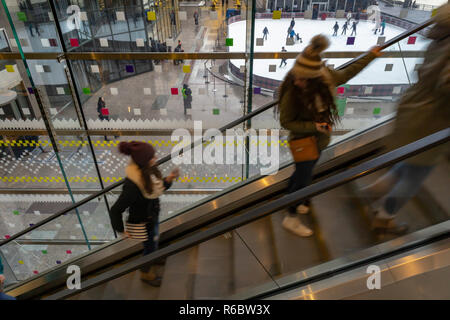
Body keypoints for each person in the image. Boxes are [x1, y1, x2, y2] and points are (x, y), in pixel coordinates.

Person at [358, 3, 450, 234]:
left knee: (411, 161)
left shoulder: (440, 35)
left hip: (414, 107)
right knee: (417, 173)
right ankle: (385, 217)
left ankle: (376, 190)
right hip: (432, 118)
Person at [278, 35, 382, 237]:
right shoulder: (292, 91)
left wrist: (370, 56)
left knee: (302, 172)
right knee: (304, 177)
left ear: (316, 78)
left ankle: (292, 199)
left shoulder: (325, 78)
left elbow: (347, 73)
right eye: (295, 76)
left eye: (302, 79)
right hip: (302, 141)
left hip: (320, 140)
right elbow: (286, 122)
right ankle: (290, 216)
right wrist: (314, 126)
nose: (296, 81)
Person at [110, 142, 180, 286]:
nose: (156, 157)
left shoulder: (147, 172)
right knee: (149, 246)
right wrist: (121, 230)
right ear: (143, 161)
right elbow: (115, 210)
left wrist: (170, 178)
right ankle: (146, 273)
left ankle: (154, 256)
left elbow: (156, 188)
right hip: (144, 221)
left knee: (153, 242)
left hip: (152, 216)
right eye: (151, 157)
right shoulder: (132, 186)